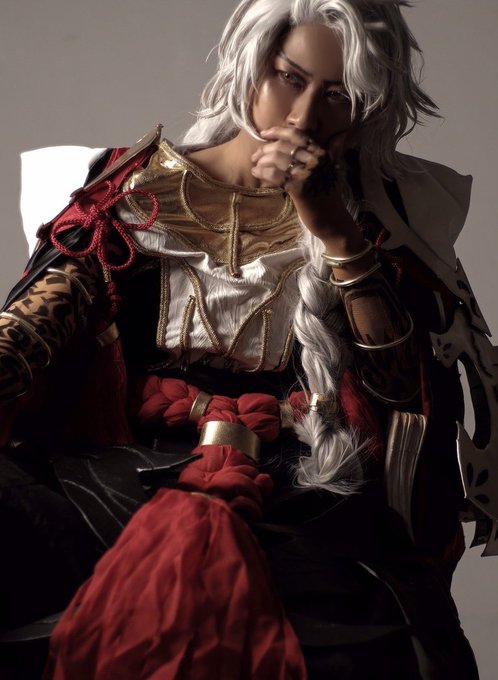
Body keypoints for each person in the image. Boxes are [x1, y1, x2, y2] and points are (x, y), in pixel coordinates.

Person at [0, 0, 493, 677]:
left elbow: (404, 394)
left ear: (368, 109)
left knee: (384, 638)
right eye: (290, 78)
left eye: (338, 96)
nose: (303, 116)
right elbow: (32, 327)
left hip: (303, 495)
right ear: (252, 63)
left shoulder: (386, 220)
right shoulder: (126, 191)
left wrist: (335, 233)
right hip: (113, 479)